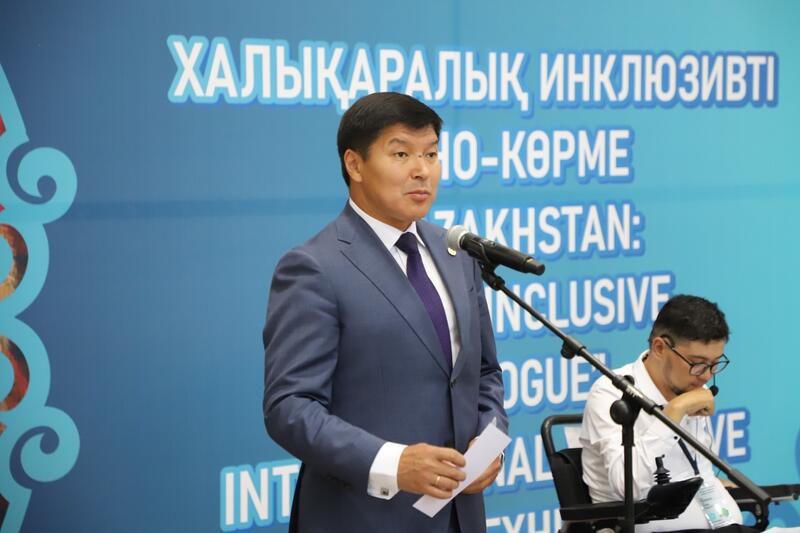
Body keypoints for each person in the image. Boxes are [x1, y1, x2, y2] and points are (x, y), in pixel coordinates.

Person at [262, 92, 507, 533]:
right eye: (401, 154)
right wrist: (393, 463)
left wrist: (489, 444)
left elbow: (484, 373)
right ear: (355, 165)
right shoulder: (315, 267)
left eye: (431, 154)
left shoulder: (457, 253)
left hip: (460, 516)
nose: (422, 170)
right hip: (362, 516)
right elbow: (290, 407)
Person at [580, 294, 746, 532]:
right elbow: (628, 490)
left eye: (715, 364)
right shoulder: (611, 394)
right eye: (697, 363)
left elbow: (696, 471)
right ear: (659, 348)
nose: (707, 376)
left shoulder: (690, 386)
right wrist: (674, 412)